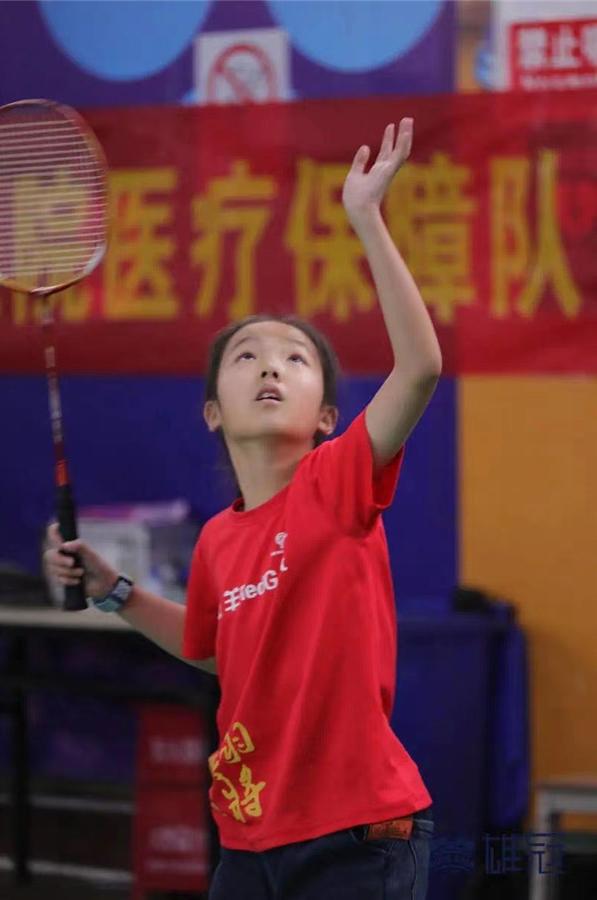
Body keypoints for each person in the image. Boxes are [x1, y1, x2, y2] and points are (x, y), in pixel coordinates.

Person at [44, 118, 441, 900]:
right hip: (248, 836)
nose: (269, 367)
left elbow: (421, 366)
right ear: (212, 413)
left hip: (358, 831)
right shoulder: (218, 540)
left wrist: (367, 217)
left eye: (295, 359)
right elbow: (217, 653)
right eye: (246, 357)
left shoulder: (337, 483)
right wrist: (115, 592)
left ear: (327, 417)